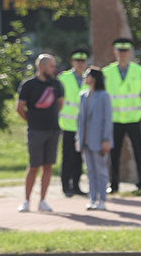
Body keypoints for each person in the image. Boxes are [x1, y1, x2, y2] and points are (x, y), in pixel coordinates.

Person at [16, 53, 64, 212]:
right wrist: (31, 120)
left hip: (53, 130)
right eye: (51, 66)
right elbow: (20, 108)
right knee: (34, 166)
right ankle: (26, 200)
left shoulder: (57, 84)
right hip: (35, 131)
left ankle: (43, 200)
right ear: (42, 66)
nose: (54, 69)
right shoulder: (28, 85)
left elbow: (60, 104)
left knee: (48, 166)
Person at [102, 38, 141, 194]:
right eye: (120, 51)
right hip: (115, 119)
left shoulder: (139, 71)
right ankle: (113, 184)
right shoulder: (107, 72)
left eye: (126, 51)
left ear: (130, 52)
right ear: (115, 52)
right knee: (114, 154)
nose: (123, 54)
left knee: (139, 151)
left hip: (133, 117)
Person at [76, 67, 113, 210]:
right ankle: (92, 198)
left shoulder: (104, 96)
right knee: (90, 170)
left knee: (100, 170)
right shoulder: (83, 95)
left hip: (98, 139)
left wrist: (106, 139)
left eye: (88, 75)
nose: (85, 77)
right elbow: (80, 119)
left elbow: (107, 119)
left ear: (95, 78)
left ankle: (102, 199)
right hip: (85, 139)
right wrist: (78, 138)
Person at [57, 48, 89, 197]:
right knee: (67, 157)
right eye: (78, 61)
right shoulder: (64, 78)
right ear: (72, 62)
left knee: (78, 159)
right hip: (67, 124)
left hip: (83, 126)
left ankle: (76, 185)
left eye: (83, 61)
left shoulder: (88, 79)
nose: (80, 64)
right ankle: (66, 186)